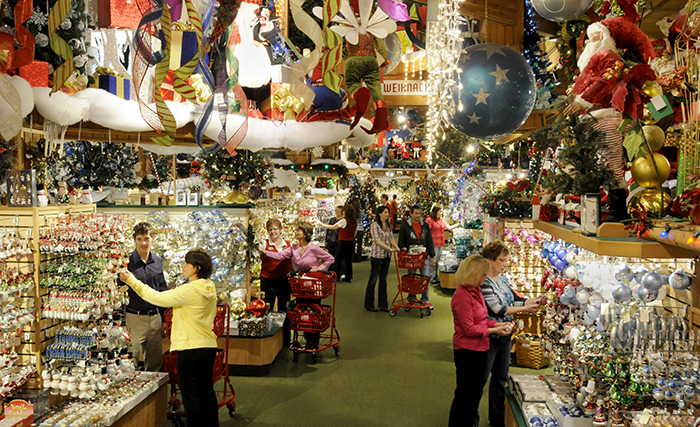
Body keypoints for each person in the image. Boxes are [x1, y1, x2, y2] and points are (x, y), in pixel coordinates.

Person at [120, 249, 219, 427]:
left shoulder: (189, 290)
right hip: (208, 347)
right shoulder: (209, 287)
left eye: (186, 263)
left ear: (196, 268)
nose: (183, 265)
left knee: (191, 397)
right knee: (206, 393)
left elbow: (157, 297)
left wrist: (132, 281)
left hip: (189, 349)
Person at [480, 240, 543, 427]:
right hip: (490, 337)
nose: (505, 264)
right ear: (490, 260)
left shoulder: (503, 279)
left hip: (505, 336)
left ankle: (497, 418)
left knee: (500, 379)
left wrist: (527, 303)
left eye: (506, 260)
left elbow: (512, 301)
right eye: (502, 260)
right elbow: (497, 309)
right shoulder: (483, 281)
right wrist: (524, 307)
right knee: (480, 381)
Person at [449, 255, 513, 427]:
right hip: (467, 351)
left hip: (480, 349)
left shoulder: (476, 290)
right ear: (474, 274)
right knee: (465, 394)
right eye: (484, 275)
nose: (486, 278)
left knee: (474, 393)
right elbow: (469, 329)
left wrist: (498, 324)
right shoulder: (462, 296)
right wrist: (494, 329)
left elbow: (482, 319)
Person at [117, 222, 167, 372]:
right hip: (134, 318)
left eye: (147, 238)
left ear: (153, 238)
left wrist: (163, 319)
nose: (144, 243)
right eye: (139, 239)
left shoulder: (157, 261)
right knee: (129, 362)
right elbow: (118, 293)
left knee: (155, 364)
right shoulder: (126, 263)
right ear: (134, 239)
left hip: (155, 319)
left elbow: (162, 291)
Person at [259, 219, 293, 346]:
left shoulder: (288, 244)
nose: (273, 232)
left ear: (280, 230)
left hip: (284, 281)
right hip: (269, 280)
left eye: (275, 229)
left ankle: (285, 340)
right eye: (270, 230)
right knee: (268, 309)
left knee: (284, 309)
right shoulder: (263, 243)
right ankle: (268, 340)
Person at [258, 221, 335, 272]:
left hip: (312, 281)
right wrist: (264, 251)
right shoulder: (294, 248)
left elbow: (330, 259)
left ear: (305, 233)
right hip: (299, 282)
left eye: (298, 230)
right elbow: (279, 255)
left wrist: (318, 269)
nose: (295, 232)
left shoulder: (314, 248)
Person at [397, 204, 435, 305]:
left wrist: (432, 255)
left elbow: (429, 240)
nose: (418, 215)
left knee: (425, 278)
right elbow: (401, 240)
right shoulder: (405, 226)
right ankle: (412, 297)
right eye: (416, 213)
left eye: (419, 213)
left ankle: (425, 299)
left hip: (424, 257)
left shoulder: (425, 225)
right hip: (411, 258)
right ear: (411, 214)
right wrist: (402, 248)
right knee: (411, 278)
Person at [364, 206, 399, 312]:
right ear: (379, 214)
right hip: (377, 256)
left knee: (383, 281)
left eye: (388, 212)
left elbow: (391, 238)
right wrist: (389, 248)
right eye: (385, 212)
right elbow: (377, 240)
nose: (387, 214)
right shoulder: (374, 225)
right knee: (373, 280)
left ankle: (383, 305)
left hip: (386, 256)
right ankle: (369, 304)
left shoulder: (387, 225)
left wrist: (397, 247)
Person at [317, 205, 357, 283]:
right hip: (351, 242)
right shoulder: (354, 221)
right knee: (348, 260)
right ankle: (348, 277)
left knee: (337, 258)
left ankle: (337, 277)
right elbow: (355, 232)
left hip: (343, 242)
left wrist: (321, 224)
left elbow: (333, 227)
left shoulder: (344, 220)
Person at [425, 206, 460, 287]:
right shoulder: (430, 220)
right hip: (433, 244)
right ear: (436, 211)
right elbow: (426, 232)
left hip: (440, 243)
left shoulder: (441, 220)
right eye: (440, 211)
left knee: (437, 261)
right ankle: (431, 279)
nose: (442, 213)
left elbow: (448, 227)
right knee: (432, 262)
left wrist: (458, 224)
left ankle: (434, 277)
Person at [325, 206, 345, 278]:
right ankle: (331, 271)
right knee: (331, 256)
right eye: (336, 210)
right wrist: (326, 240)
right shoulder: (332, 220)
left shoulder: (343, 220)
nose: (336, 212)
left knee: (339, 257)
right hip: (331, 240)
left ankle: (341, 272)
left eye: (338, 211)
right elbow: (328, 229)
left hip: (338, 241)